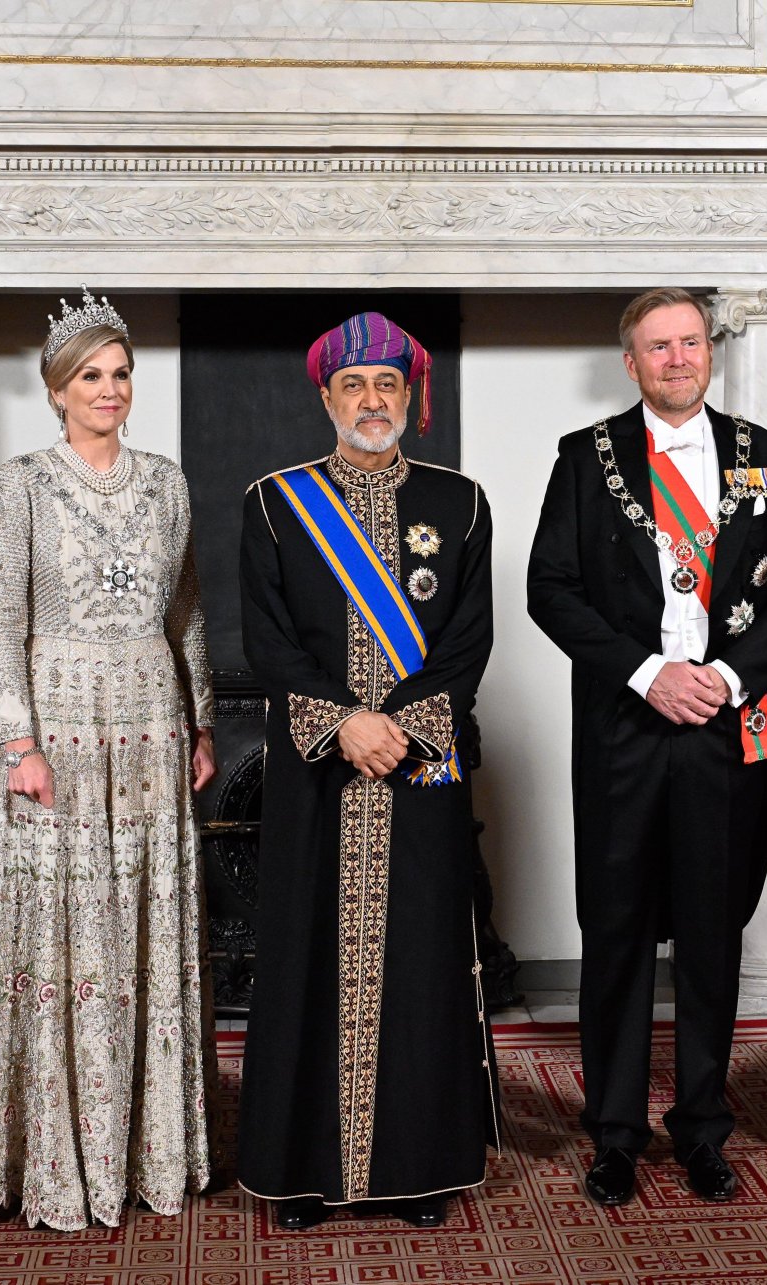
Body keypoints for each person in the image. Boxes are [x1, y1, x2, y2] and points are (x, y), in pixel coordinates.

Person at [526, 287, 767, 1205]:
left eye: (691, 341)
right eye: (659, 346)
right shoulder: (587, 459)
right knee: (614, 931)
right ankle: (613, 1131)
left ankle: (701, 1124)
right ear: (632, 362)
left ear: (710, 351)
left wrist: (729, 678)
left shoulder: (763, 459)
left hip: (724, 728)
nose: (679, 357)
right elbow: (551, 589)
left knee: (709, 929)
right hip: (624, 727)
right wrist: (647, 671)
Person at [0, 287, 218, 1230]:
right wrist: (17, 739)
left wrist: (199, 724)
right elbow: (1, 619)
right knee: (70, 932)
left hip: (150, 724)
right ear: (57, 390)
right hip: (60, 730)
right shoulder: (22, 480)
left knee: (142, 927)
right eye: (91, 377)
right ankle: (63, 1159)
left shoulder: (166, 481)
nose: (109, 390)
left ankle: (153, 1149)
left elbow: (185, 610)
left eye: (121, 374)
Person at [236, 311, 498, 1231]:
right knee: (308, 953)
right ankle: (300, 1173)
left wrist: (398, 729)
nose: (372, 400)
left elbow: (468, 642)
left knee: (422, 962)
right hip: (318, 773)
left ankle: (419, 1172)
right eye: (354, 385)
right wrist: (345, 724)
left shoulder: (461, 504)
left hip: (419, 769)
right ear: (325, 397)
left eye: (388, 383)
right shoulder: (274, 502)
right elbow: (268, 642)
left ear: (410, 396)